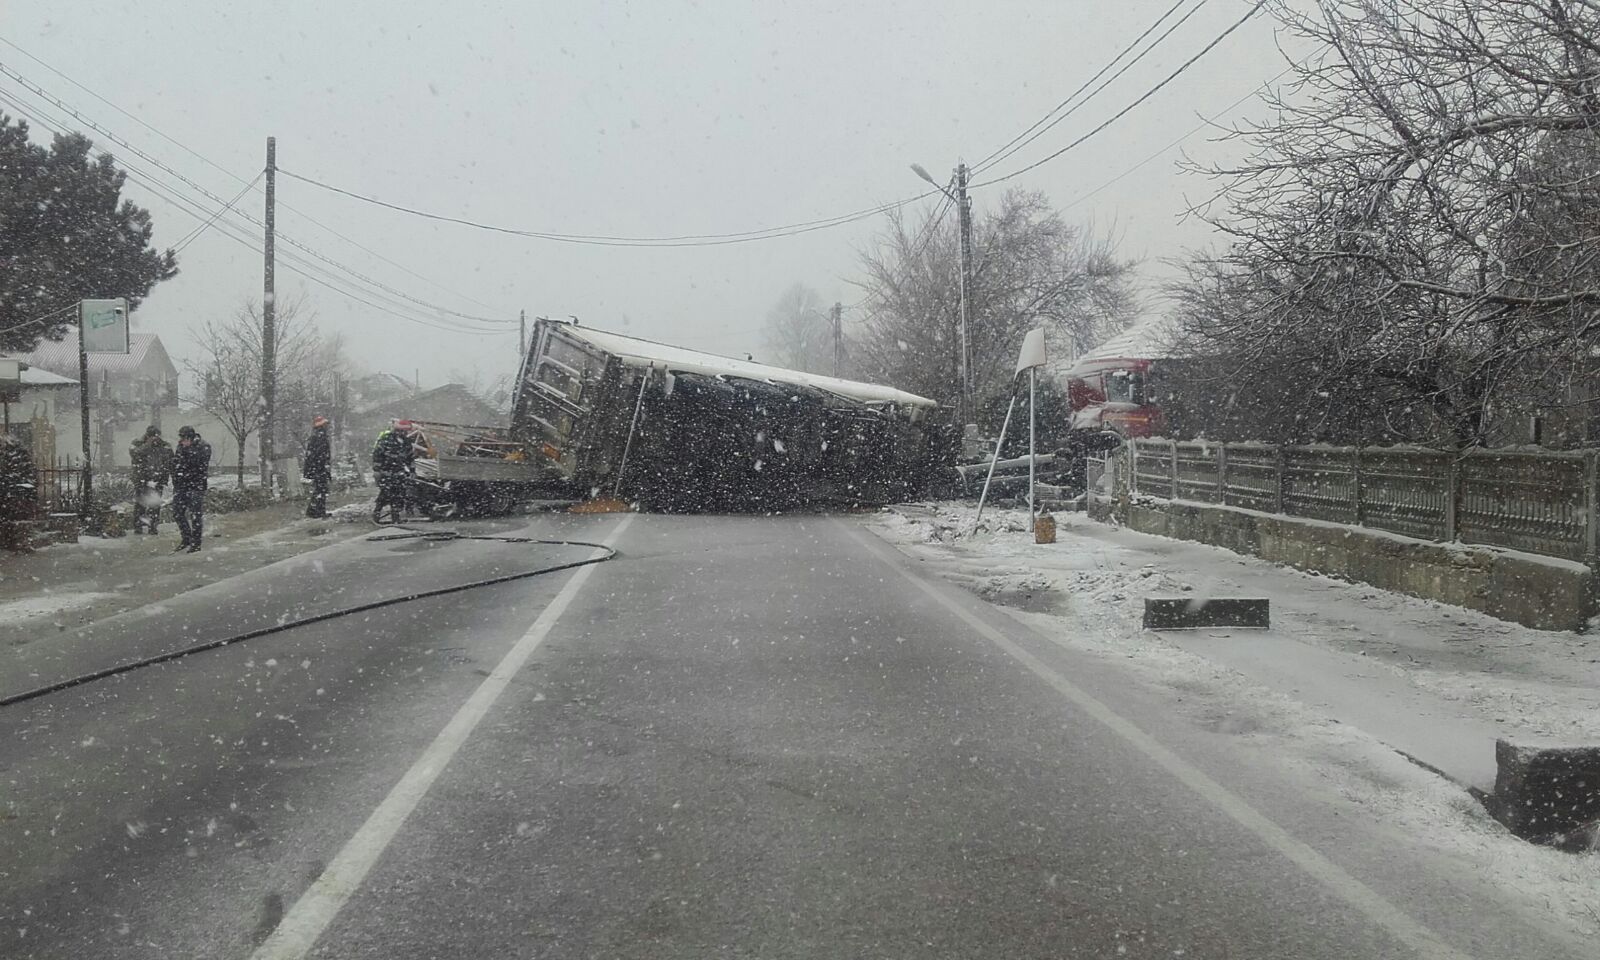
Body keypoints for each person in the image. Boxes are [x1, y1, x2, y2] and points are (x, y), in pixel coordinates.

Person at [170, 425, 211, 553]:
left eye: (185, 438)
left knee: (195, 514)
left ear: (191, 437)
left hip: (196, 485)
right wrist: (176, 476)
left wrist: (186, 456)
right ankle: (186, 537)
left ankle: (196, 543)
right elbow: (176, 463)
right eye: (182, 438)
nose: (183, 440)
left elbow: (199, 466)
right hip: (181, 485)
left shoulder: (203, 447)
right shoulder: (181, 446)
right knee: (177, 512)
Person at [128, 425, 173, 535]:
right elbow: (135, 455)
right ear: (147, 435)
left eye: (156, 436)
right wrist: (147, 445)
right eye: (152, 436)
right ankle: (138, 527)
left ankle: (153, 527)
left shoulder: (164, 446)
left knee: (155, 505)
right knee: (140, 504)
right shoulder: (138, 444)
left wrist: (163, 476)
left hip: (158, 480)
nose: (154, 438)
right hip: (142, 479)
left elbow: (170, 459)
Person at [371, 419, 418, 524]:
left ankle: (395, 516)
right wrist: (377, 470)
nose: (403, 433)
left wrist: (412, 471)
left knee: (398, 494)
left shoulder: (406, 442)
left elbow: (410, 458)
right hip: (385, 471)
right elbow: (377, 455)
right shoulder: (386, 439)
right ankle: (376, 514)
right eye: (401, 431)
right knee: (385, 494)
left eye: (405, 431)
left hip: (398, 472)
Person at [302, 415, 332, 519]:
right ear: (322, 426)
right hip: (319, 468)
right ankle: (318, 511)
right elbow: (320, 455)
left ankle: (314, 511)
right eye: (325, 424)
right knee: (321, 489)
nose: (327, 426)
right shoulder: (320, 437)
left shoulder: (317, 436)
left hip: (317, 468)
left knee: (320, 489)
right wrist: (323, 466)